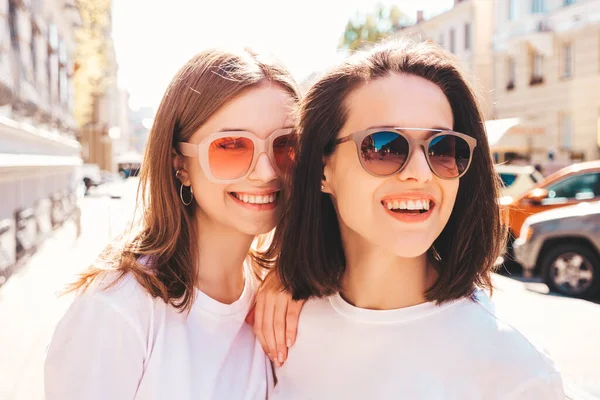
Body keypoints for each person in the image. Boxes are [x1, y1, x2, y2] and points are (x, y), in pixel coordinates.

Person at [254, 39, 565, 399]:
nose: (420, 173)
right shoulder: (278, 329)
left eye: (443, 149)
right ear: (323, 170)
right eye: (384, 147)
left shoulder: (514, 369)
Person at [44, 47, 301, 400]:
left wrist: (296, 276)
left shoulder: (282, 293)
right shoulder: (118, 309)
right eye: (230, 146)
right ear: (180, 164)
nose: (267, 171)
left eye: (286, 145)